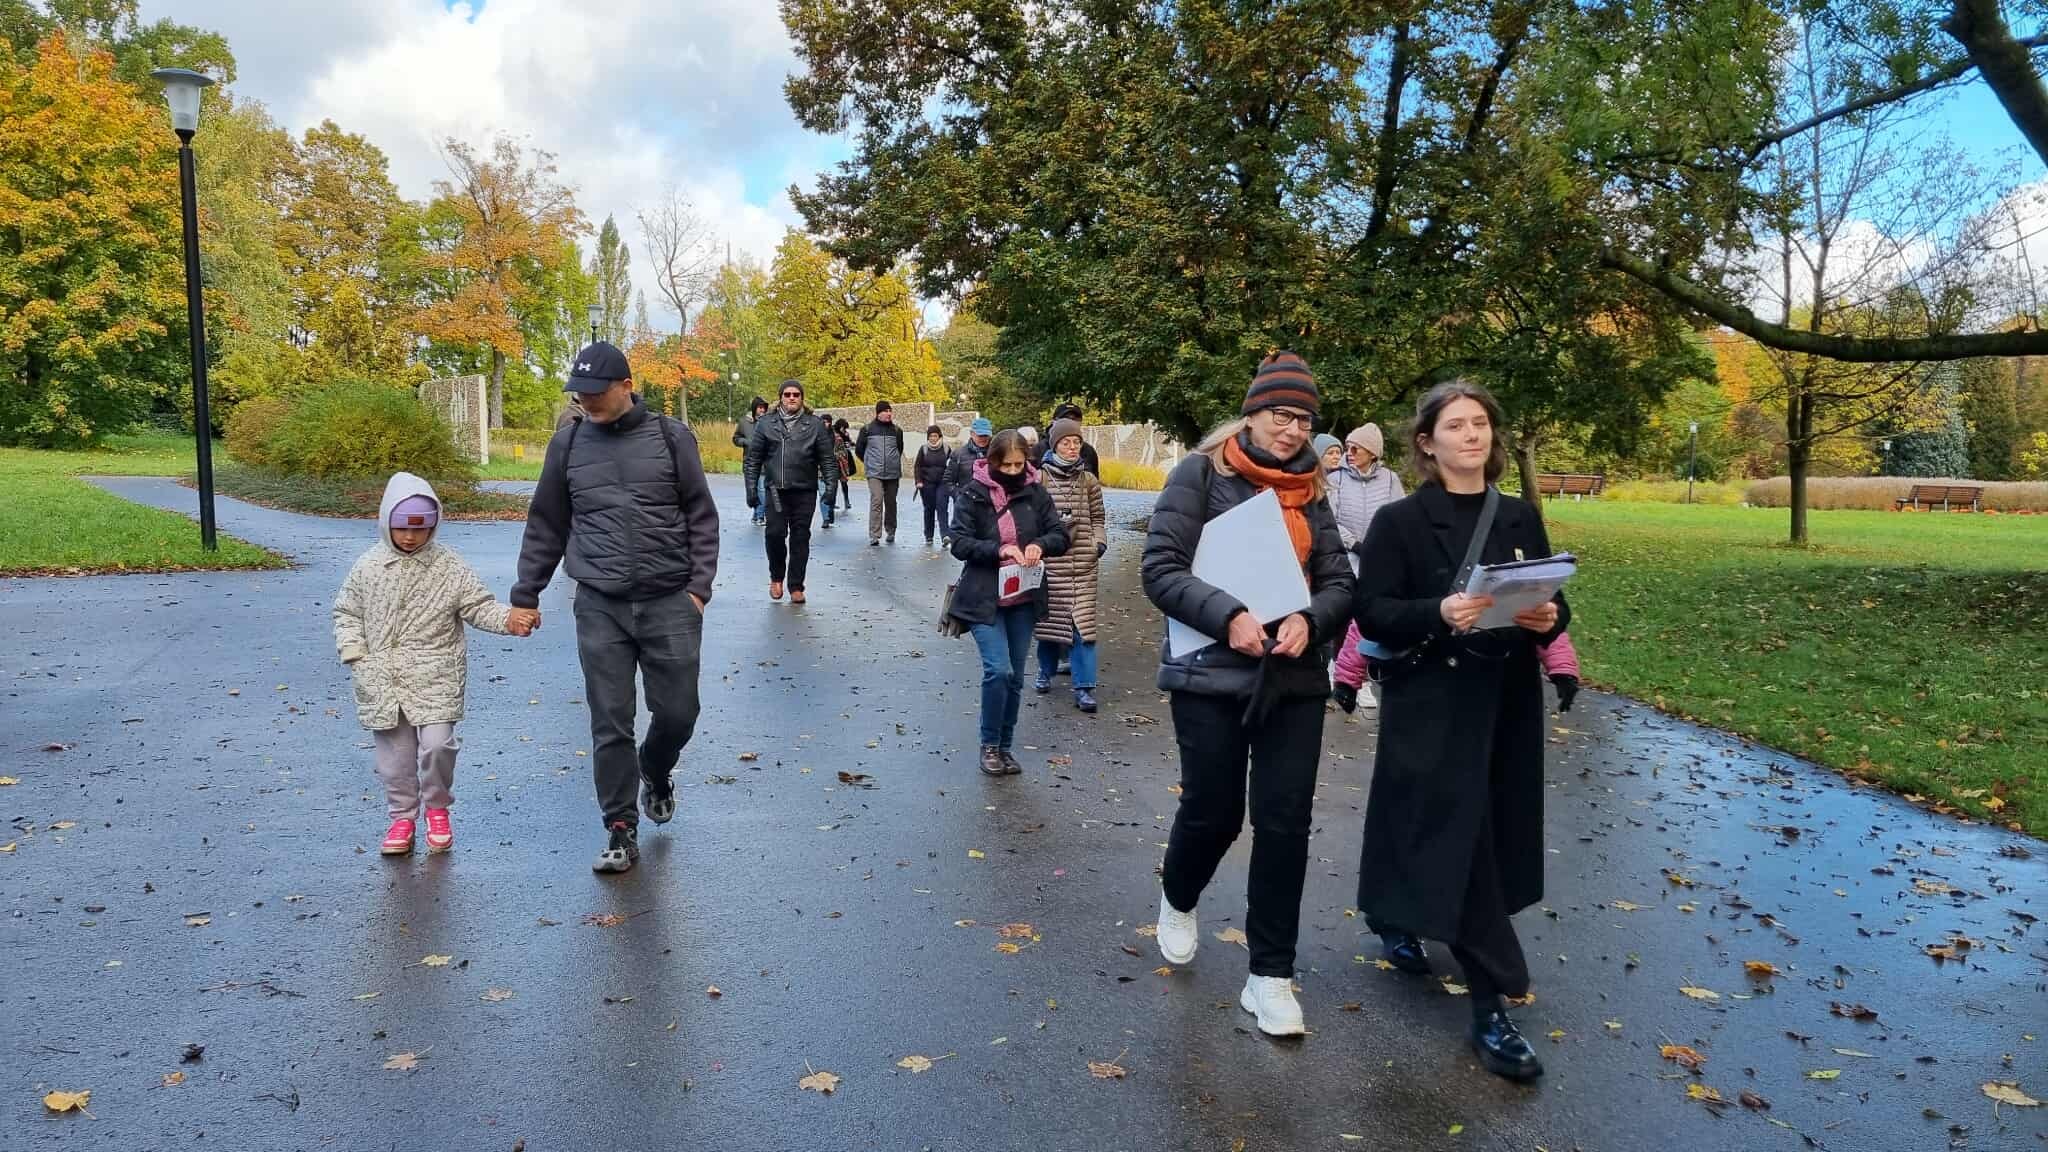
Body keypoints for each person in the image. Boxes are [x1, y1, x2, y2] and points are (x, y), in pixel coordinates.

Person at [1352, 378, 1570, 1082]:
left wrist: (1549, 618)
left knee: (1485, 832)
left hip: (1505, 699)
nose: (1472, 434)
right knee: (1451, 832)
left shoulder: (1519, 515)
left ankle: (1396, 911)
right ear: (1427, 442)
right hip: (1432, 699)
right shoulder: (1400, 521)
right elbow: (1374, 611)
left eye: (1480, 423)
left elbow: (1548, 600)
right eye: (1456, 425)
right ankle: (1489, 1002)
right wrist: (1439, 612)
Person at [1141, 352, 1353, 1038]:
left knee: (1286, 823)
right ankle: (1178, 895)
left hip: (1292, 677)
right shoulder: (1199, 475)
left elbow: (1339, 582)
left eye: (1304, 420)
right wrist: (1228, 615)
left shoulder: (1312, 490)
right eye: (1280, 415)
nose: (1292, 430)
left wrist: (1311, 620)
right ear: (1252, 414)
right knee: (1214, 813)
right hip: (1210, 673)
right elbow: (1161, 568)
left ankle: (1270, 977)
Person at [513, 342, 721, 874]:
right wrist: (526, 592)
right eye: (579, 393)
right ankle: (620, 828)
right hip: (600, 603)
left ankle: (656, 766)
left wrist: (698, 589)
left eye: (596, 392)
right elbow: (547, 522)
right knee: (610, 721)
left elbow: (701, 514)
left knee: (678, 713)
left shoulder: (672, 438)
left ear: (627, 386)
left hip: (669, 599)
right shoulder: (568, 444)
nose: (586, 401)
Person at [335, 474, 536, 856]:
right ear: (386, 523)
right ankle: (402, 817)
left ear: (433, 526)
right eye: (401, 529)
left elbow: (477, 605)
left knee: (437, 745)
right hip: (382, 678)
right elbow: (347, 611)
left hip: (436, 673)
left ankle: (437, 808)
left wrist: (509, 620)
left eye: (420, 529)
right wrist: (354, 651)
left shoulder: (449, 567)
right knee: (395, 759)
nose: (410, 538)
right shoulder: (368, 566)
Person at [947, 430, 1070, 777]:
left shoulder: (1036, 492)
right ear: (993, 462)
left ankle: (1004, 746)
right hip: (983, 597)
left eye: (1019, 464)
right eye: (1007, 465)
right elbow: (959, 542)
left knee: (1015, 677)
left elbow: (1060, 535)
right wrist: (999, 550)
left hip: (1023, 597)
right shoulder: (973, 493)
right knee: (999, 670)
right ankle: (989, 745)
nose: (1014, 471)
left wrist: (1040, 545)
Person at [1327, 423, 1404, 712]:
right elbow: (1330, 519)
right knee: (1341, 618)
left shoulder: (1390, 480)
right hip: (1345, 558)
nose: (1349, 452)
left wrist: (1382, 546)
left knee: (1368, 620)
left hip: (1379, 561)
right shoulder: (1336, 479)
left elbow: (1400, 516)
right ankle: (1338, 674)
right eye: (1347, 447)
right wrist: (1355, 543)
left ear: (1372, 452)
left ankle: (1364, 681)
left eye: (1355, 448)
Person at [1034, 417, 1106, 713]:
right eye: (1066, 442)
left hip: (1084, 566)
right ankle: (1044, 670)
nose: (1073, 447)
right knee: (1050, 625)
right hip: (1051, 564)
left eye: (1077, 442)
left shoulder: (1088, 480)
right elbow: (1031, 519)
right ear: (1055, 445)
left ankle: (1084, 688)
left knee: (1082, 627)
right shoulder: (1039, 479)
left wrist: (1098, 543)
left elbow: (1098, 517)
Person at [745, 380, 838, 604]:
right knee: (775, 534)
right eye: (787, 394)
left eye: (796, 394)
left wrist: (830, 488)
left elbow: (827, 459)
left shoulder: (815, 425)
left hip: (804, 490)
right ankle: (776, 576)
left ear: (802, 398)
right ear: (780, 398)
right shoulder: (766, 424)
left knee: (800, 537)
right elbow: (753, 459)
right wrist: (751, 489)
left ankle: (796, 585)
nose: (792, 398)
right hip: (776, 490)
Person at [856, 400, 906, 545]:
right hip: (874, 473)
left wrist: (892, 461)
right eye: (885, 411)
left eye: (890, 411)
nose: (889, 413)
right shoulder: (867, 429)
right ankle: (875, 534)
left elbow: (899, 449)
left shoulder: (897, 431)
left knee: (891, 503)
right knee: (877, 500)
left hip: (892, 473)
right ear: (878, 413)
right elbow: (859, 450)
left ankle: (891, 530)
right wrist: (869, 462)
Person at [943, 417, 994, 541]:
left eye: (986, 435)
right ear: (972, 433)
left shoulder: (996, 453)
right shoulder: (959, 454)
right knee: (967, 543)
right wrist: (959, 495)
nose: (983, 438)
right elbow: (947, 480)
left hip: (991, 507)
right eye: (980, 435)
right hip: (967, 507)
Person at [914, 424, 952, 547]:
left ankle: (945, 535)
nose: (933, 438)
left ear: (939, 436)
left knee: (942, 507)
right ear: (928, 437)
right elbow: (917, 466)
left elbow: (951, 465)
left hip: (942, 483)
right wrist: (918, 481)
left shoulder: (946, 449)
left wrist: (951, 480)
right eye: (931, 436)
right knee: (929, 509)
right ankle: (929, 536)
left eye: (935, 436)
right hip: (927, 483)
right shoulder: (924, 449)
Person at [737, 395, 770, 525]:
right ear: (754, 408)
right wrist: (746, 442)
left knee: (762, 489)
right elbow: (736, 438)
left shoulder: (767, 422)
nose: (762, 410)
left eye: (764, 408)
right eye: (760, 407)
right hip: (749, 462)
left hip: (763, 463)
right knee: (752, 490)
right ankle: (756, 515)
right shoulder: (744, 422)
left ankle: (761, 516)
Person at [1051, 403, 1100, 476]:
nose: (1071, 422)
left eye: (1076, 419)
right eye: (1065, 418)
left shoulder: (1089, 451)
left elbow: (1095, 479)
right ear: (1054, 421)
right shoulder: (1040, 449)